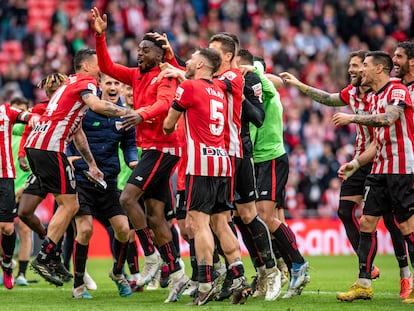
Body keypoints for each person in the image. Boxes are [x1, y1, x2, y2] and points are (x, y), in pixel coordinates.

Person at [280, 50, 411, 299]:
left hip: (385, 159)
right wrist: (299, 84)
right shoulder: (353, 93)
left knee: (394, 222)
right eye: (350, 66)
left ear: (368, 68)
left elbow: (390, 120)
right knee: (346, 212)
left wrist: (353, 119)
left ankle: (405, 275)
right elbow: (329, 98)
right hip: (362, 160)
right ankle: (366, 271)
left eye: (356, 66)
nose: (351, 70)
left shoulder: (386, 92)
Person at [91, 7, 189, 303]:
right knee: (156, 216)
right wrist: (100, 36)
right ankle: (176, 272)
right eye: (138, 50)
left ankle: (151, 256)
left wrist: (140, 113)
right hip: (153, 148)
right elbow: (107, 66)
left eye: (145, 51)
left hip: (165, 148)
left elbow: (164, 103)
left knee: (126, 199)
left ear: (160, 55)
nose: (140, 55)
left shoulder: (167, 74)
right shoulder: (135, 75)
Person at [26, 48, 138, 287]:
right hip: (50, 147)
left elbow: (77, 132)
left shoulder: (70, 86)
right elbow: (97, 106)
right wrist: (132, 113)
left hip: (38, 146)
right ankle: (46, 256)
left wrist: (91, 164)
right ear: (86, 66)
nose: (105, 66)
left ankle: (51, 256)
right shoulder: (85, 82)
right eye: (100, 63)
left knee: (67, 203)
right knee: (70, 205)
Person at [332, 51, 414, 304]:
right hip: (379, 168)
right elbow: (377, 143)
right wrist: (355, 163)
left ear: (379, 69)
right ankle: (364, 284)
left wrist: (352, 118)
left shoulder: (397, 90)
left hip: (402, 168)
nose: (360, 70)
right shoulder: (375, 98)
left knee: (406, 227)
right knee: (367, 222)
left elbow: (389, 119)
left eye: (365, 65)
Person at [163, 47, 239, 305]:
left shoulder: (189, 87)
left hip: (200, 163)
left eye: (193, 58)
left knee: (199, 224)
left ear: (202, 66)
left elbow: (168, 124)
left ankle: (205, 282)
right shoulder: (219, 90)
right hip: (223, 162)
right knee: (221, 222)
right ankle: (238, 274)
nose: (188, 61)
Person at [67, 74, 138, 298]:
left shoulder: (126, 115)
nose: (113, 86)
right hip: (82, 179)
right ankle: (78, 284)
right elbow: (71, 136)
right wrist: (69, 156)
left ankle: (117, 273)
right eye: (109, 82)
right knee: (85, 230)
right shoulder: (87, 110)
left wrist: (133, 161)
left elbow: (129, 145)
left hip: (109, 181)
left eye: (117, 83)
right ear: (100, 86)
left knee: (124, 230)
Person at [17, 73, 75, 284]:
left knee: (70, 211)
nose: (54, 94)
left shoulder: (70, 108)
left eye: (57, 90)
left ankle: (60, 260)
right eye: (50, 91)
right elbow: (27, 132)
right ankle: (50, 248)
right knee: (24, 212)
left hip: (59, 162)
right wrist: (22, 154)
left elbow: (77, 134)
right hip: (41, 165)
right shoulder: (40, 109)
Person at [0, 96, 38, 289]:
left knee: (8, 228)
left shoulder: (7, 113)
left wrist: (34, 117)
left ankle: (9, 265)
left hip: (5, 178)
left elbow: (28, 116)